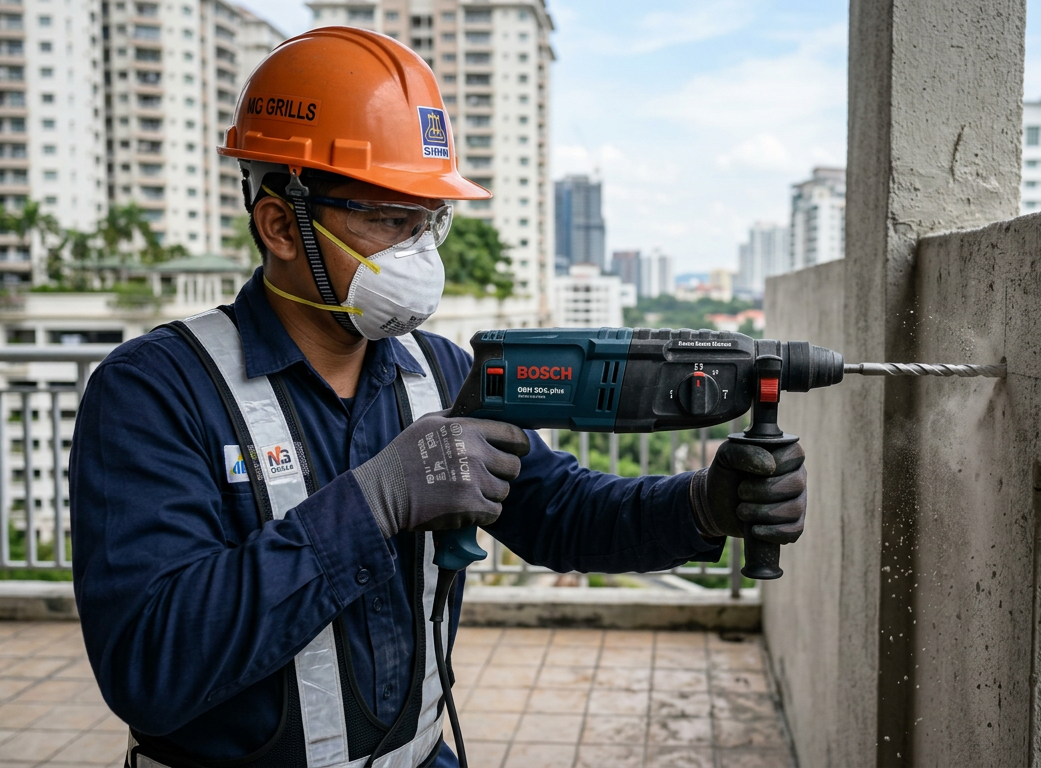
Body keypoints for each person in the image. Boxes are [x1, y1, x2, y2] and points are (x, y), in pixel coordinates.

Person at [70, 27, 807, 768]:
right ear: (279, 225)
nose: (418, 253)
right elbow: (149, 666)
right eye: (389, 220)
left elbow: (560, 511)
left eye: (428, 222)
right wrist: (373, 503)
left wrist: (703, 506)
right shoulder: (157, 391)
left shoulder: (442, 372)